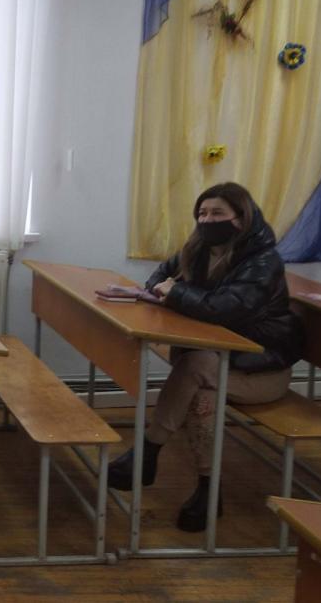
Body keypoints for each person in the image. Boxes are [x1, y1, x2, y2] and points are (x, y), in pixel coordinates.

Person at [106, 182, 304, 532]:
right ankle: (208, 491)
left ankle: (148, 453)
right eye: (202, 213)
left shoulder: (263, 261)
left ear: (241, 218)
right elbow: (159, 279)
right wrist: (170, 289)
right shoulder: (197, 248)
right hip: (215, 364)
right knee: (201, 393)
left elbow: (225, 309)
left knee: (196, 365)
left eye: (217, 213)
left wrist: (176, 292)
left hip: (261, 369)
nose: (207, 220)